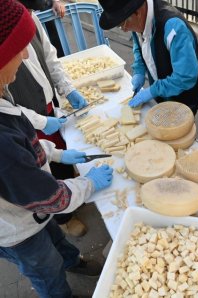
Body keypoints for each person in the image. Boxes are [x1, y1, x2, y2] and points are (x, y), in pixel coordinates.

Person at [0, 0, 114, 297]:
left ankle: (72, 260)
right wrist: (88, 183)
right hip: (16, 228)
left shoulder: (2, 92)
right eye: (18, 50)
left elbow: (24, 135)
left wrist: (58, 154)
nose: (26, 55)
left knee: (54, 236)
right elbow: (51, 197)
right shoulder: (2, 147)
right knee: (45, 270)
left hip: (30, 211)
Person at [9, 0, 89, 237]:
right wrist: (40, 121)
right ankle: (63, 217)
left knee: (62, 153)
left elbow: (50, 58)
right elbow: (6, 107)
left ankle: (73, 192)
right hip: (26, 119)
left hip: (47, 107)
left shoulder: (30, 19)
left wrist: (67, 88)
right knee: (44, 167)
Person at [98, 0, 198, 115]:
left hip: (186, 94)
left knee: (181, 129)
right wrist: (139, 70)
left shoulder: (174, 27)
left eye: (123, 24)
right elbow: (139, 45)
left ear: (137, 13)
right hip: (163, 92)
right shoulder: (138, 20)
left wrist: (153, 90)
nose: (125, 29)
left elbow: (186, 77)